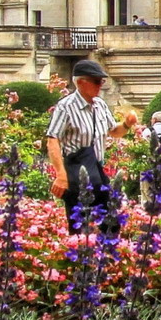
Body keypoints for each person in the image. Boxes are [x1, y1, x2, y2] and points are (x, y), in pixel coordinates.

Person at [44, 59, 133, 213]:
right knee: (79, 226)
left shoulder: (100, 105)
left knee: (108, 223)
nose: (100, 85)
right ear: (80, 82)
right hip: (75, 172)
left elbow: (113, 131)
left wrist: (126, 124)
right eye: (96, 81)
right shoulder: (66, 107)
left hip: (97, 171)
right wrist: (61, 174)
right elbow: (52, 140)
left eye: (102, 81)